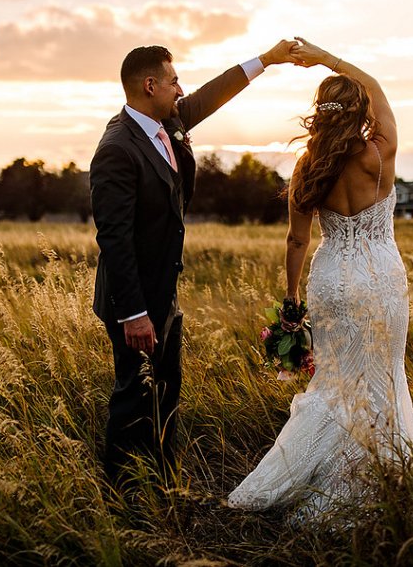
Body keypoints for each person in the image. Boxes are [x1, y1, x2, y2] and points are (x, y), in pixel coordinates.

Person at [228, 37, 413, 520]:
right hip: (379, 279)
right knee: (381, 377)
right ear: (361, 112)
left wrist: (292, 298)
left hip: (332, 279)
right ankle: (373, 478)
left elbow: (297, 241)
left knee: (333, 384)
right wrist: (325, 57)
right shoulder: (380, 153)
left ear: (321, 113)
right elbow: (377, 88)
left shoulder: (307, 166)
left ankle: (295, 475)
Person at [91, 41, 298, 489]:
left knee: (165, 393)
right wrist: (134, 313)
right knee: (133, 398)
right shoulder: (117, 148)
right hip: (136, 301)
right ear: (150, 86)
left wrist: (268, 58)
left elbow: (211, 94)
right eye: (173, 81)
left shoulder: (165, 122)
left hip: (163, 292)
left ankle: (164, 482)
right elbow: (114, 239)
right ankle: (121, 495)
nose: (181, 89)